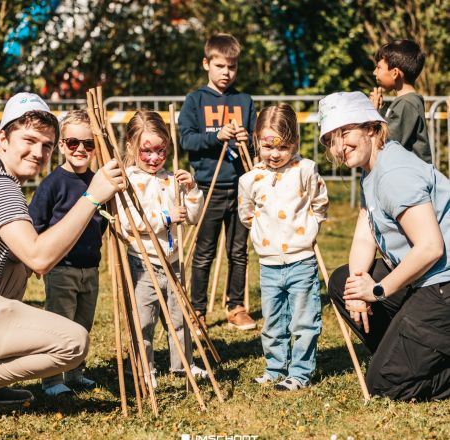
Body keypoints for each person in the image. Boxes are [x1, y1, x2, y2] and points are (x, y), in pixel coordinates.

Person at [0, 92, 124, 406]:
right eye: (29, 140)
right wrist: (91, 198)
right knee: (73, 342)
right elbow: (39, 258)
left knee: (15, 264)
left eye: (47, 145)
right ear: (3, 138)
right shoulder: (0, 187)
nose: (38, 152)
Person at [319, 91, 450, 401]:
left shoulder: (393, 173)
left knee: (385, 385)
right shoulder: (372, 170)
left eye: (345, 133)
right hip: (424, 280)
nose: (339, 147)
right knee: (343, 282)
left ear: (370, 128)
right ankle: (404, 354)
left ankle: (411, 362)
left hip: (443, 284)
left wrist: (376, 291)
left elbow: (431, 247)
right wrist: (357, 289)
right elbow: (365, 235)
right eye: (331, 140)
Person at [238, 104, 328, 391]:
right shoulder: (250, 179)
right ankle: (276, 367)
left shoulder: (306, 170)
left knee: (303, 320)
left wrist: (309, 231)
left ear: (295, 143)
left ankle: (300, 372)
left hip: (301, 260)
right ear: (257, 142)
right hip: (269, 264)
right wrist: (265, 236)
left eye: (284, 147)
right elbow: (246, 213)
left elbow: (320, 203)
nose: (275, 154)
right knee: (273, 321)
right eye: (268, 147)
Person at [118, 110, 207, 388]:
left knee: (179, 318)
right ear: (132, 147)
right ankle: (144, 369)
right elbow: (128, 222)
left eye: (161, 150)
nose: (155, 158)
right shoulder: (129, 181)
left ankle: (183, 364)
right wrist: (166, 218)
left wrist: (192, 191)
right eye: (147, 151)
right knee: (144, 321)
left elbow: (192, 216)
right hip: (142, 262)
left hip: (173, 261)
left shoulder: (172, 179)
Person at [178, 33, 257, 332]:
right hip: (208, 186)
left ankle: (236, 307)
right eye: (221, 65)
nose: (226, 72)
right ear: (206, 64)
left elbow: (254, 146)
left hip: (239, 187)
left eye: (232, 67)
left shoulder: (244, 101)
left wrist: (246, 140)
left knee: (238, 251)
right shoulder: (195, 99)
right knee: (204, 251)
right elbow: (187, 139)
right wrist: (216, 136)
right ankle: (197, 309)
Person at [29, 110, 107, 396]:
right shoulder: (52, 184)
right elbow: (35, 225)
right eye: (73, 143)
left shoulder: (98, 182)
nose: (80, 149)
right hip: (62, 268)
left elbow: (102, 223)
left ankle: (75, 373)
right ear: (61, 146)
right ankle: (52, 379)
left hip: (91, 269)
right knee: (60, 324)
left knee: (83, 325)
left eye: (88, 144)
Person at [370, 39, 432, 163]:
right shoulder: (404, 102)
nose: (374, 72)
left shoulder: (407, 103)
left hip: (412, 179)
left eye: (379, 67)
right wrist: (379, 110)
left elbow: (385, 143)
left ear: (395, 73)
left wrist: (372, 113)